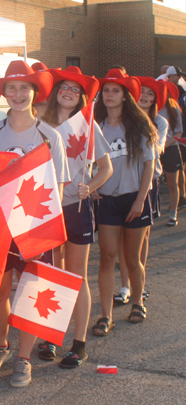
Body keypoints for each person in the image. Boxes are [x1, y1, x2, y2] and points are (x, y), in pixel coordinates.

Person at [0, 60, 70, 387]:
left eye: (24, 88)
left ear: (35, 92)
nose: (17, 94)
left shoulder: (50, 136)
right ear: (3, 93)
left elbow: (58, 190)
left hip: (34, 228)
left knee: (33, 291)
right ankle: (0, 345)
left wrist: (53, 235)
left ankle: (24, 358)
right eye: (11, 88)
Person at [40, 66, 113, 367]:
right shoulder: (39, 123)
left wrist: (90, 187)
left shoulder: (87, 125)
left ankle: (79, 344)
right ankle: (50, 337)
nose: (68, 92)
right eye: (63, 87)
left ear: (81, 97)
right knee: (52, 274)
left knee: (75, 275)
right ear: (56, 92)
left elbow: (106, 169)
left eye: (75, 89)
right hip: (46, 208)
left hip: (76, 209)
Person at [93, 69, 157, 334]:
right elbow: (82, 158)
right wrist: (92, 184)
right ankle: (106, 315)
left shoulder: (139, 125)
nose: (109, 95)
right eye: (106, 90)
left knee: (132, 258)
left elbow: (149, 164)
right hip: (107, 200)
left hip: (133, 199)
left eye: (115, 91)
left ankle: (138, 302)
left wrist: (140, 200)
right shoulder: (94, 124)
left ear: (125, 96)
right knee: (107, 258)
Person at [114, 77, 168, 304]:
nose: (144, 96)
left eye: (150, 93)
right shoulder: (121, 120)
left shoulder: (159, 122)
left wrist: (143, 127)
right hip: (123, 184)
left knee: (141, 238)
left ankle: (139, 285)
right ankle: (125, 286)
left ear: (156, 100)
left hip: (148, 184)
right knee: (120, 240)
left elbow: (158, 149)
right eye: (141, 92)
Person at [159, 80, 184, 226]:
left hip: (170, 149)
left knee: (172, 183)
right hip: (153, 151)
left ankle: (173, 213)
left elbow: (178, 131)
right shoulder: (152, 107)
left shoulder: (174, 109)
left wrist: (164, 145)